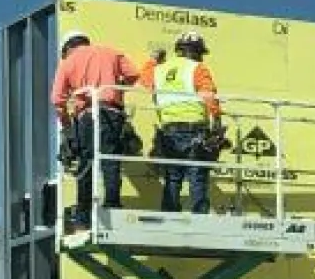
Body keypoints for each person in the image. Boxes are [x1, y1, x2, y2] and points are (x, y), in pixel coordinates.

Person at [51, 31, 141, 231]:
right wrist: (117, 89)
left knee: (86, 164)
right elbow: (133, 75)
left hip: (87, 116)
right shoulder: (111, 52)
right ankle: (112, 206)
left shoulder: (68, 62)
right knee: (110, 160)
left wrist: (66, 125)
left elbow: (57, 99)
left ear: (67, 48)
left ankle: (83, 218)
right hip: (112, 113)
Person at [139, 30, 223, 214]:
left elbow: (144, 79)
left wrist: (154, 59)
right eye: (200, 52)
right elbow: (208, 94)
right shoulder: (197, 68)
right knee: (197, 175)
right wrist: (216, 120)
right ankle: (199, 216)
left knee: (173, 176)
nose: (201, 57)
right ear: (195, 50)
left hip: (169, 131)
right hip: (195, 129)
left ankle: (170, 214)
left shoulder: (160, 69)